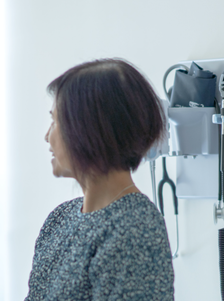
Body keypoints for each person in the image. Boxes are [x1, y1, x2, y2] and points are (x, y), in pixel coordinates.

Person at [26, 59, 175, 300]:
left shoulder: (133, 229)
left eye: (55, 121)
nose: (47, 136)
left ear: (88, 130)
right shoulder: (59, 220)